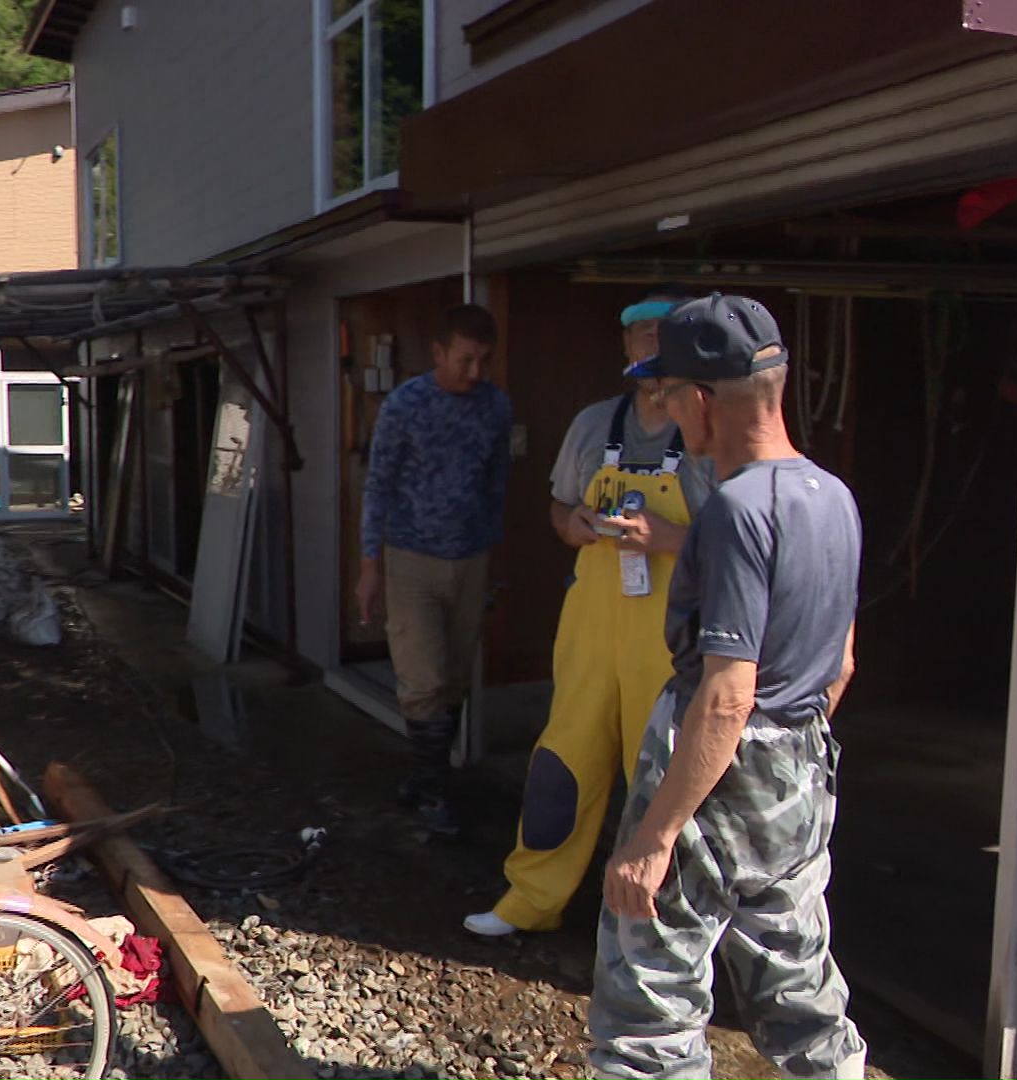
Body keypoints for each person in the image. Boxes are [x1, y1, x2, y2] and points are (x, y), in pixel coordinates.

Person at [589, 294, 867, 1080]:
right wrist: (780, 771)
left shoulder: (736, 510)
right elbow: (841, 663)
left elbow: (726, 695)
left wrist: (654, 837)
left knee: (651, 995)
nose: (669, 414)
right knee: (798, 980)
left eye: (671, 395)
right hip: (801, 774)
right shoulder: (834, 498)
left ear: (703, 400)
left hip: (716, 765)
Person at [463, 289, 713, 939]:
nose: (651, 343)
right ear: (624, 347)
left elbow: (741, 541)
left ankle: (666, 927)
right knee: (562, 764)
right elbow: (557, 510)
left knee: (660, 777)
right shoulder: (593, 424)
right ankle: (530, 899)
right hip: (592, 624)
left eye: (664, 333)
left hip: (668, 637)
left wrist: (669, 539)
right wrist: (571, 524)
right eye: (639, 333)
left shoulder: (707, 431)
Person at [356, 303, 512, 837]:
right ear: (440, 352)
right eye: (464, 360)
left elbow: (497, 483)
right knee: (420, 676)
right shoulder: (406, 405)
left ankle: (426, 778)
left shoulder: (495, 407)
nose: (474, 372)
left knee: (453, 678)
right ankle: (433, 791)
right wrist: (369, 565)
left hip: (470, 556)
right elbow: (377, 485)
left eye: (483, 361)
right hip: (411, 557)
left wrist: (493, 552)